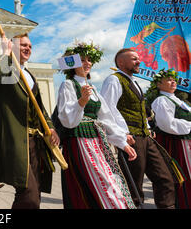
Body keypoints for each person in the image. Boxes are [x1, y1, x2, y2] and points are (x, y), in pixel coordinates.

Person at [56, 42, 137, 209]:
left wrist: (121, 142)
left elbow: (106, 118)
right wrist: (81, 102)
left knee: (109, 180)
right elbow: (66, 118)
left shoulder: (93, 89)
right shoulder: (68, 85)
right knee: (94, 183)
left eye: (89, 60)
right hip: (79, 141)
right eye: (83, 60)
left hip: (97, 141)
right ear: (73, 64)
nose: (88, 63)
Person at [0, 33, 59, 209]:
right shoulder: (6, 70)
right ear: (13, 46)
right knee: (28, 195)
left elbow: (39, 109)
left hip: (36, 142)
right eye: (23, 45)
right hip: (16, 141)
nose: (28, 48)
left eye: (30, 46)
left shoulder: (30, 75)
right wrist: (5, 53)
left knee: (34, 194)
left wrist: (51, 128)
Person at [101, 48, 176, 208]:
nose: (138, 61)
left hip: (145, 137)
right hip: (131, 139)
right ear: (121, 62)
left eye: (138, 58)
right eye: (134, 59)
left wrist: (147, 127)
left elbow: (140, 110)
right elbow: (107, 109)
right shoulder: (114, 80)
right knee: (134, 185)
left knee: (165, 177)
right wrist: (121, 134)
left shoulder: (133, 81)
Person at [147, 69, 191, 208]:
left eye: (174, 79)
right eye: (169, 80)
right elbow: (167, 124)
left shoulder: (178, 100)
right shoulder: (161, 100)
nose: (173, 82)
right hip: (174, 143)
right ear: (159, 84)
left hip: (185, 140)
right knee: (180, 175)